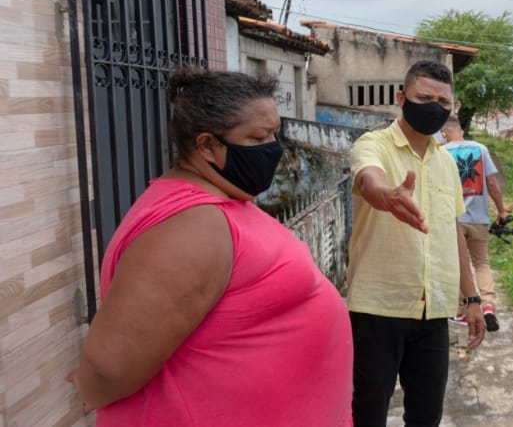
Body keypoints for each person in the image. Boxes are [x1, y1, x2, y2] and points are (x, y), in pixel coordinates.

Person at [66, 67, 353, 426]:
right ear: (206, 145)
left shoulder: (226, 200)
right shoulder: (188, 227)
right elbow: (108, 370)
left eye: (275, 134)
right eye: (259, 137)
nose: (274, 149)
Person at [347, 60, 486, 427]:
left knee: (427, 413)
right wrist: (386, 196)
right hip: (379, 307)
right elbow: (368, 178)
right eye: (424, 97)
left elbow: (451, 229)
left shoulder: (445, 162)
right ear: (401, 97)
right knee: (368, 409)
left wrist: (472, 299)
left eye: (443, 102)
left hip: (434, 310)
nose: (434, 107)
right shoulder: (372, 144)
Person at [441, 115, 507, 332]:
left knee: (457, 262)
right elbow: (491, 182)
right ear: (460, 129)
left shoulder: (441, 153)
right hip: (479, 217)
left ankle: (461, 310)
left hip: (453, 219)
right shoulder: (480, 149)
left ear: (443, 133)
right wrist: (501, 209)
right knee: (481, 263)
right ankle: (488, 305)